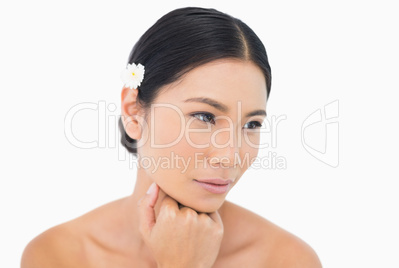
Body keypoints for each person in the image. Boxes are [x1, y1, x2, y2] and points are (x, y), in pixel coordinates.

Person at [21, 7, 322, 268]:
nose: (230, 155)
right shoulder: (57, 255)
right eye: (204, 117)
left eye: (252, 124)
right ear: (134, 111)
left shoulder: (286, 260)